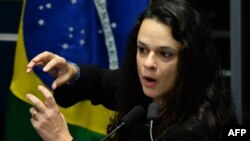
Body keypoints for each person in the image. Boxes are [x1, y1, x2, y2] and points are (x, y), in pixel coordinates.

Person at [26, 0, 238, 140]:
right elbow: (101, 81)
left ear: (190, 60)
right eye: (142, 50)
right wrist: (71, 72)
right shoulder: (149, 89)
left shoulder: (193, 131)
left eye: (164, 54)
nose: (148, 63)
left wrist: (62, 138)